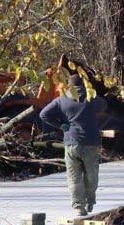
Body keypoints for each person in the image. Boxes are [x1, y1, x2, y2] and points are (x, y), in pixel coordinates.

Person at [39, 72, 108, 216]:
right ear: (83, 85)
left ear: (68, 85)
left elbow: (43, 114)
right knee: (91, 175)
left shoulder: (61, 99)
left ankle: (78, 207)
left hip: (71, 143)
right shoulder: (91, 98)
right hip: (91, 142)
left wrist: (61, 125)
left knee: (74, 177)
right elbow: (104, 105)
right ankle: (90, 201)